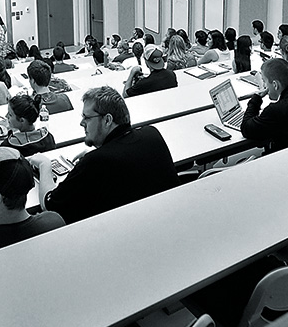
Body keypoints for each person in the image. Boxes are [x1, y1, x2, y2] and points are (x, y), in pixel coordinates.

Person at [28, 86, 178, 224]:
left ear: (107, 120)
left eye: (87, 117)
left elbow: (50, 206)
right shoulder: (151, 133)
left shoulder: (96, 161)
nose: (82, 123)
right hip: (168, 219)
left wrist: (44, 165)